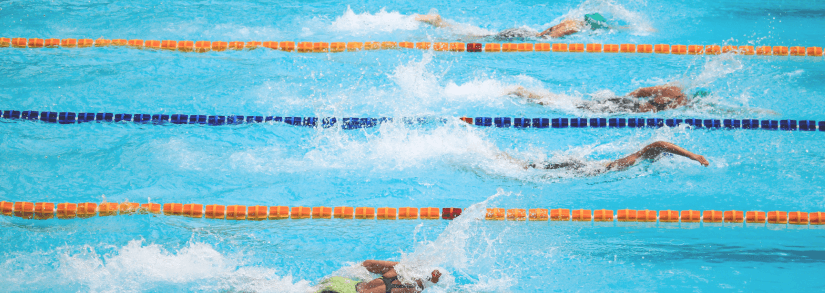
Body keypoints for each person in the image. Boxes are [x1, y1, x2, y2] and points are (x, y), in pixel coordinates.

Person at [498, 141, 709, 175]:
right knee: (529, 168)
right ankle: (507, 160)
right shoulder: (639, 157)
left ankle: (511, 161)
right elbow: (659, 144)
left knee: (536, 168)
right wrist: (693, 156)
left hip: (588, 168)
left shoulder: (641, 160)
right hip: (583, 168)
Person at [506, 84, 709, 113]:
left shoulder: (672, 88)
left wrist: (620, 99)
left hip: (625, 103)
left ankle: (529, 93)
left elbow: (639, 92)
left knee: (577, 104)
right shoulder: (679, 101)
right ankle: (525, 93)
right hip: (626, 109)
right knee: (576, 107)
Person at [415, 13, 609, 39]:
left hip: (524, 32)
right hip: (524, 36)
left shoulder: (571, 21)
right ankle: (439, 25)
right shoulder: (573, 27)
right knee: (478, 39)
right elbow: (548, 38)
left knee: (481, 36)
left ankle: (440, 23)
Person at [317, 260, 441, 293]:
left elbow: (367, 264)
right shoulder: (413, 289)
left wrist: (355, 269)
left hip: (344, 283)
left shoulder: (397, 270)